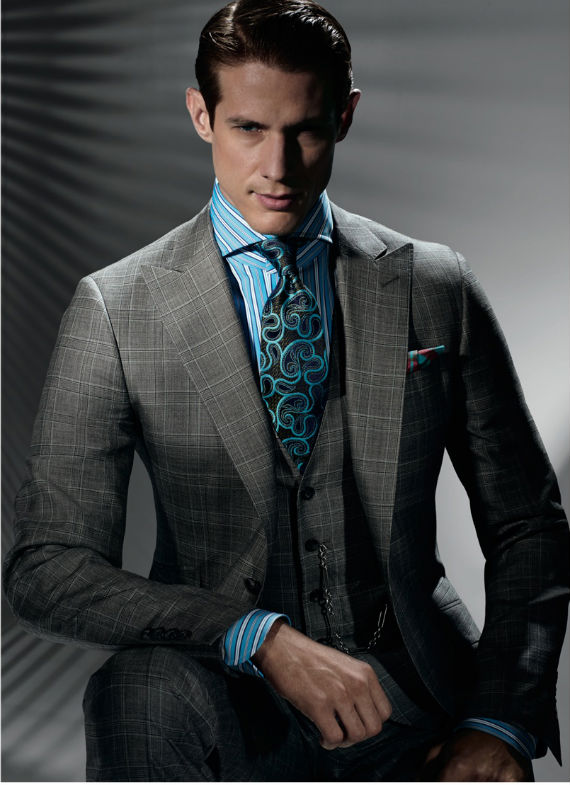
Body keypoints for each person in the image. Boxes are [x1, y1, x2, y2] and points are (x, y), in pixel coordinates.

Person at [3, 0, 569, 781]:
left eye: (305, 130)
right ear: (201, 115)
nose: (278, 165)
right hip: (216, 688)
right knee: (132, 693)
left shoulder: (433, 285)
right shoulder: (118, 306)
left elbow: (527, 524)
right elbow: (48, 569)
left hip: (414, 691)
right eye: (248, 128)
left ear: (345, 115)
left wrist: (499, 719)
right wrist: (252, 633)